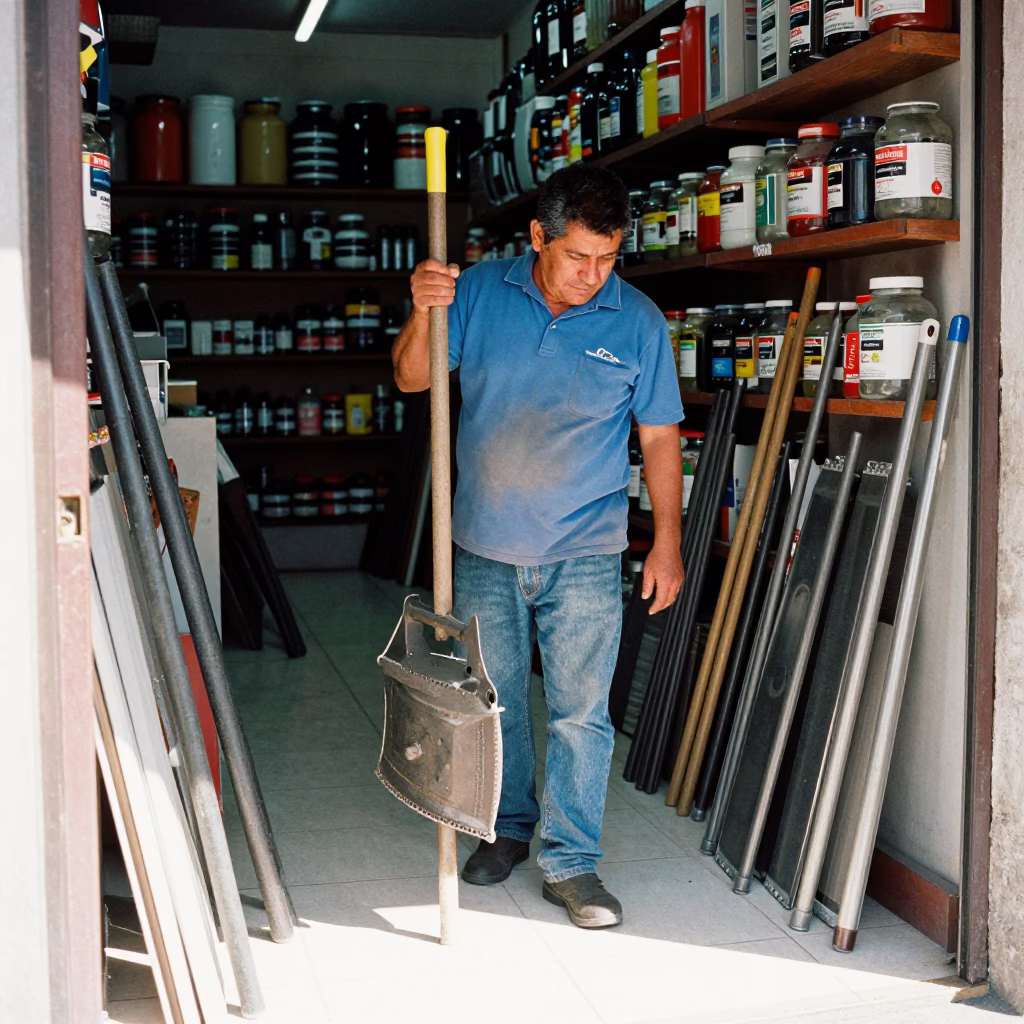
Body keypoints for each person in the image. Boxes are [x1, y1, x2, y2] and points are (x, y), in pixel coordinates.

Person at [392, 163, 684, 929]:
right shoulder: (477, 291)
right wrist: (423, 310)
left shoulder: (638, 321)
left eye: (608, 258)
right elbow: (413, 380)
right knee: (498, 705)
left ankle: (572, 861)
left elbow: (660, 439)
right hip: (484, 545)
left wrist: (668, 544)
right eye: (578, 256)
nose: (593, 275)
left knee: (581, 713)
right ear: (536, 237)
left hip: (587, 549)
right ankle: (509, 828)